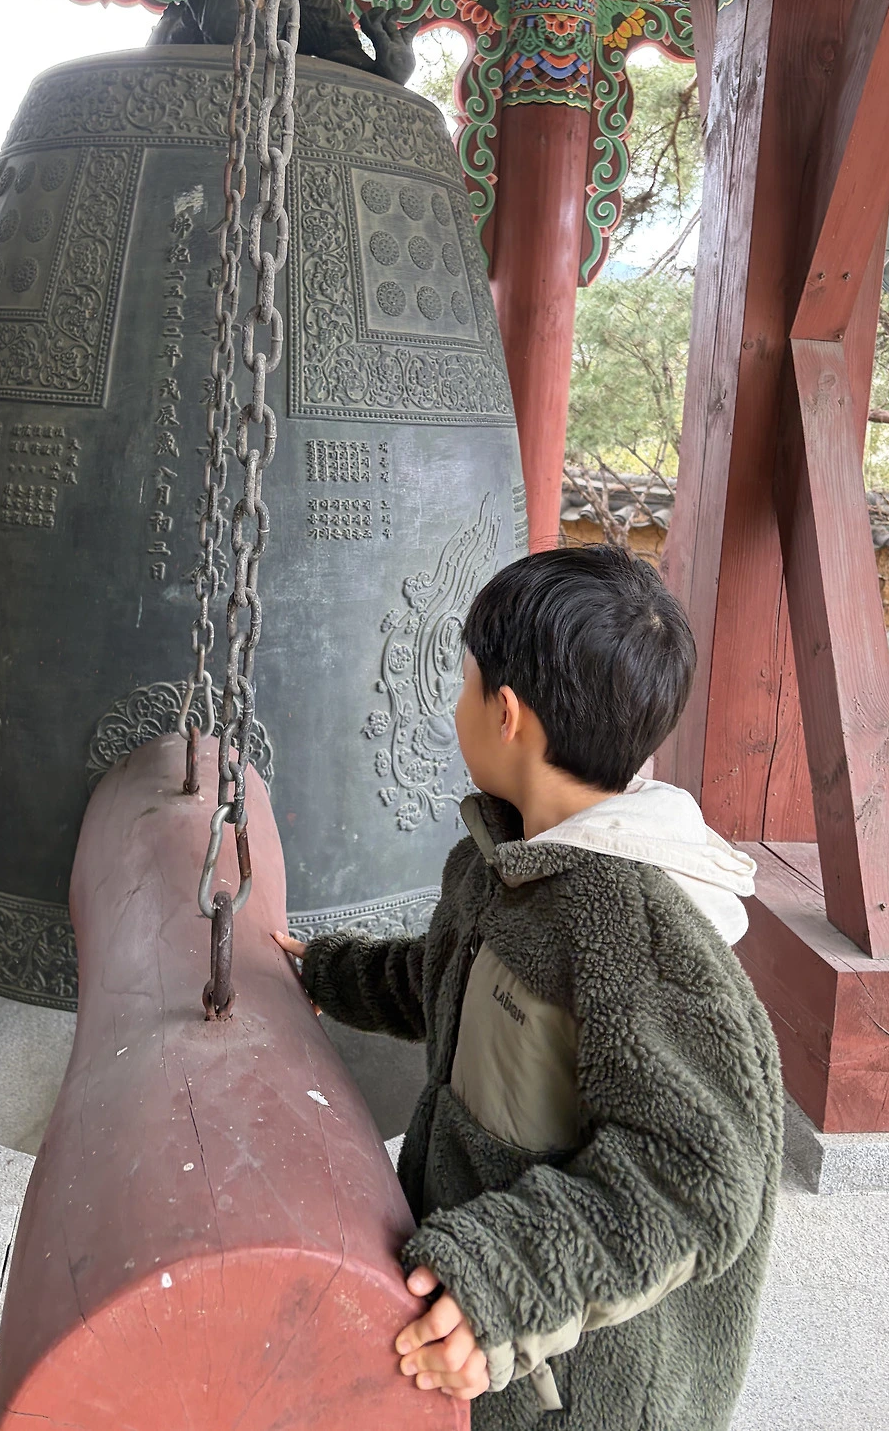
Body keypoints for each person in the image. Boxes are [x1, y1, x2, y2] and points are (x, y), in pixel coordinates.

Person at [275, 544, 784, 1429]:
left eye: (465, 683)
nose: (457, 705)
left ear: (505, 713)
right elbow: (444, 979)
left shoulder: (630, 928)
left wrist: (503, 1278)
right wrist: (324, 971)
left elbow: (697, 1176)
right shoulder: (510, 863)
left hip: (575, 1388)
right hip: (481, 1344)